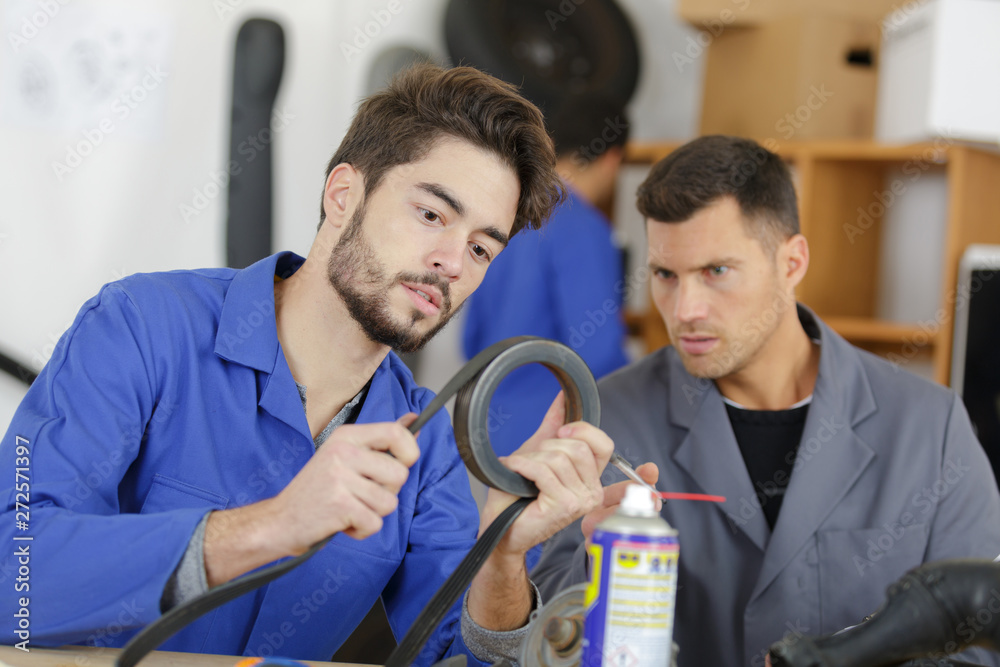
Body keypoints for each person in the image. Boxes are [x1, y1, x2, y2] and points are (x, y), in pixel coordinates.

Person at [0, 64, 614, 666]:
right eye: (431, 215)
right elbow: (12, 572)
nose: (452, 263)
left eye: (481, 248)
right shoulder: (142, 326)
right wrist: (271, 526)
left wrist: (501, 557)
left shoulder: (425, 444)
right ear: (344, 195)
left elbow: (463, 657)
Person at [530, 135, 1000, 667]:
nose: (684, 310)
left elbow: (979, 649)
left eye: (716, 271)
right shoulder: (609, 418)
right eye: (665, 275)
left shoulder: (931, 427)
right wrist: (595, 566)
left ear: (792, 262)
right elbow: (543, 639)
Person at [462, 93, 630, 461]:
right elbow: (598, 351)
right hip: (550, 435)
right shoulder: (583, 229)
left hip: (487, 424)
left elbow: (472, 337)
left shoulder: (508, 217)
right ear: (612, 159)